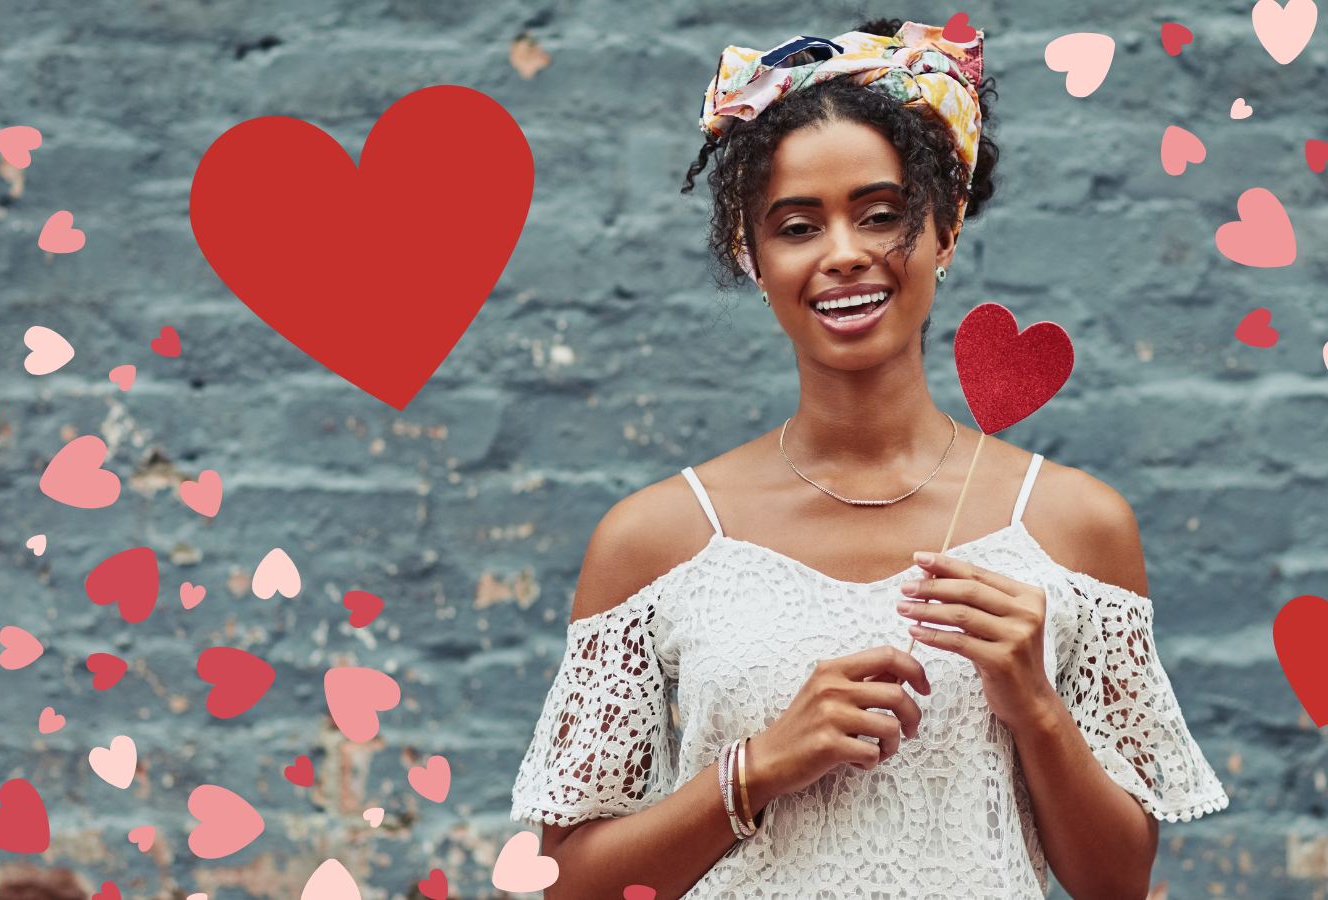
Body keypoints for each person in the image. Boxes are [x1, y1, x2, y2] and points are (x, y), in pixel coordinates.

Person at [509, 17, 1228, 898]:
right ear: (753, 256)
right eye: (797, 226)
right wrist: (758, 768)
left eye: (881, 216)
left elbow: (1116, 883)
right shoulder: (652, 541)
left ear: (944, 233)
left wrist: (1033, 705)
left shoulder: (1078, 527)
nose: (844, 254)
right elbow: (560, 882)